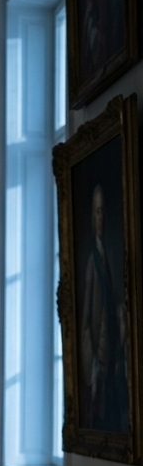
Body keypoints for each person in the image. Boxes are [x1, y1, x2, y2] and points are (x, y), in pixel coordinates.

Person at [81, 183, 127, 432]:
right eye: (96, 212)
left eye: (103, 212)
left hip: (109, 345)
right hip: (99, 350)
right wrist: (94, 356)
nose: (101, 217)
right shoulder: (92, 262)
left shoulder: (106, 257)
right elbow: (87, 313)